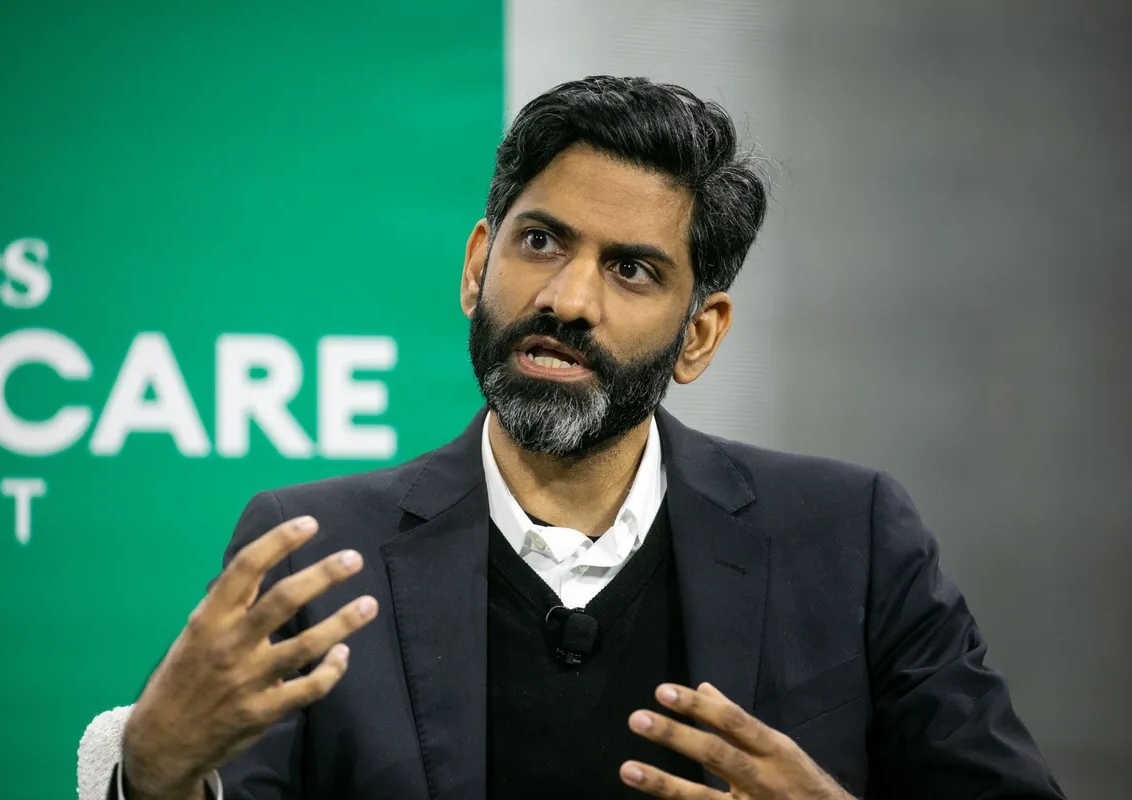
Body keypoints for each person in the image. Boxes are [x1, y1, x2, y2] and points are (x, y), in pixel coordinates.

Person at [110, 76, 1064, 799]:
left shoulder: (851, 537)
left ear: (699, 334)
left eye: (633, 270)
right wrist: (151, 778)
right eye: (541, 242)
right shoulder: (315, 552)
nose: (567, 299)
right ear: (477, 264)